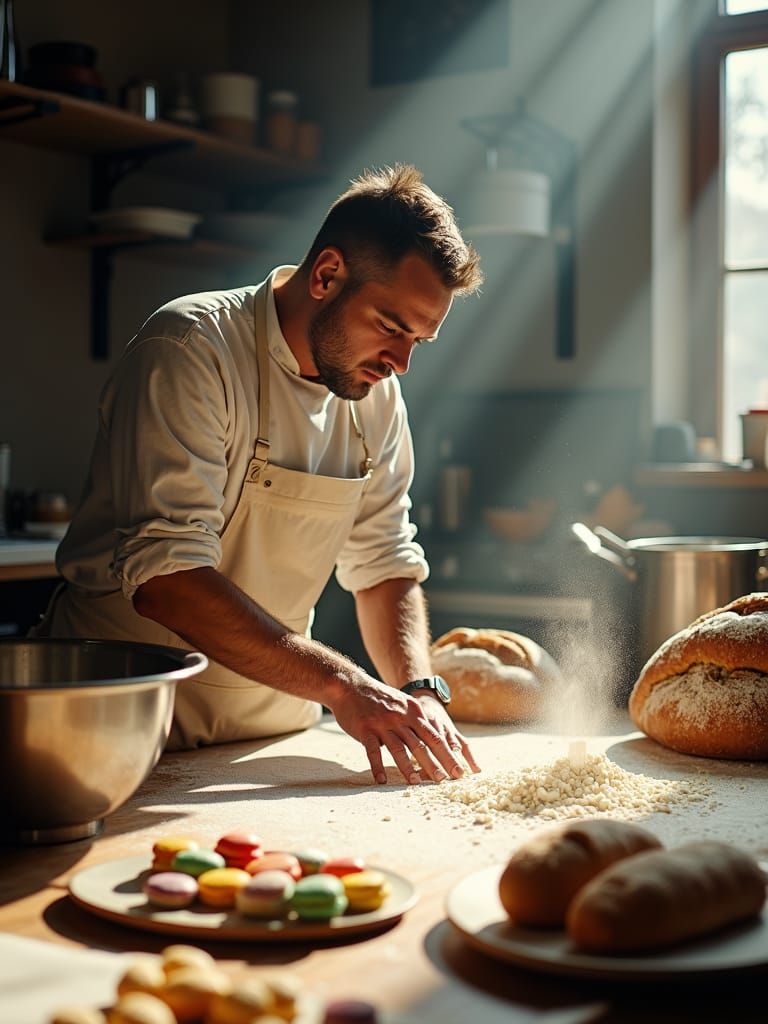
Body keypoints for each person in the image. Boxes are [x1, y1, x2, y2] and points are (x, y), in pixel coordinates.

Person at [34, 164, 484, 785]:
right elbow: (167, 577)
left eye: (419, 342)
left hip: (272, 739)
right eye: (390, 327)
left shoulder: (373, 394)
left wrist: (418, 688)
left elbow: (382, 561)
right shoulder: (192, 349)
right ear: (327, 275)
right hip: (121, 731)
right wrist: (348, 686)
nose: (401, 363)